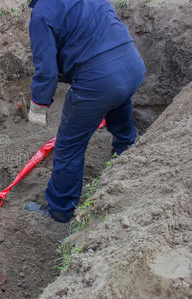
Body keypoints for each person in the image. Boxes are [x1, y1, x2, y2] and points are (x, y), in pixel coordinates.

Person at [26, 0, 146, 223]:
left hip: (100, 81)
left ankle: (60, 210)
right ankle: (126, 151)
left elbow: (46, 70)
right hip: (132, 65)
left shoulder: (42, 15)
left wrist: (38, 104)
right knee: (118, 102)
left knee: (68, 146)